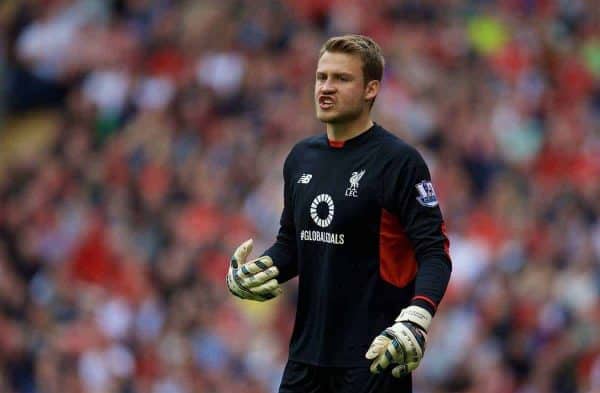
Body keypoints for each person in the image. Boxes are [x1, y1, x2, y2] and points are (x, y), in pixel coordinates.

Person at [226, 34, 452, 393]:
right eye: (321, 77)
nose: (326, 88)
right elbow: (294, 245)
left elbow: (435, 253)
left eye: (341, 79)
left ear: (371, 89)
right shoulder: (300, 157)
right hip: (305, 360)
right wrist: (259, 270)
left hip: (373, 361)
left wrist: (417, 317)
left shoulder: (399, 162)